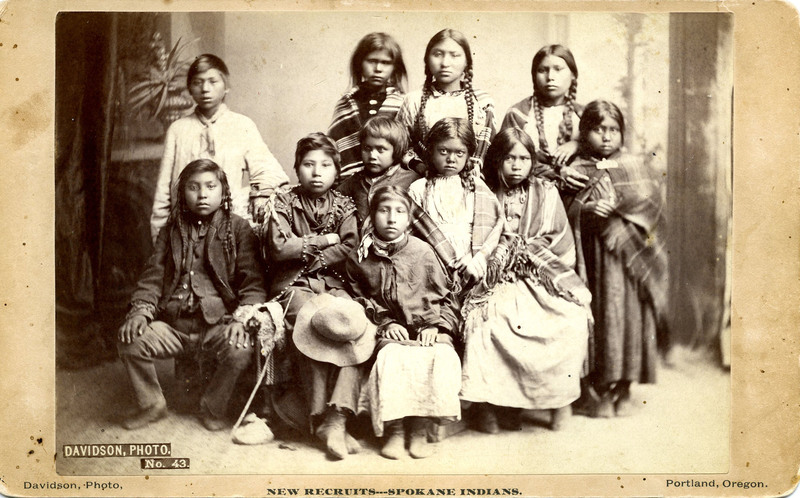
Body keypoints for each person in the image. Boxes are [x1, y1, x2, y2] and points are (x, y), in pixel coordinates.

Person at [118, 159, 267, 431]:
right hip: (174, 326)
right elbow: (152, 276)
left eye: (211, 186)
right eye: (193, 187)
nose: (202, 194)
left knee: (241, 350)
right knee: (131, 340)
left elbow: (253, 283)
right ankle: (151, 405)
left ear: (223, 192)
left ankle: (213, 406)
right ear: (182, 194)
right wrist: (141, 312)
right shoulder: (172, 229)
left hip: (217, 326)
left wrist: (241, 320)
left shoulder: (238, 228)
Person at [459, 128, 592, 433]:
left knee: (570, 318)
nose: (517, 165)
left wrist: (521, 249)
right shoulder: (481, 192)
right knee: (488, 319)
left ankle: (560, 401)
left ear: (533, 162)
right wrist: (499, 257)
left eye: (524, 158)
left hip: (539, 275)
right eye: (509, 158)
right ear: (497, 160)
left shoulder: (546, 192)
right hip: (496, 277)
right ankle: (488, 405)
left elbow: (558, 240)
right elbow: (471, 239)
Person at [564, 100, 669, 418]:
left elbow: (652, 206)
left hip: (629, 263)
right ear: (585, 134)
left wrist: (621, 208)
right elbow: (561, 207)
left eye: (613, 130)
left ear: (622, 133)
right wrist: (584, 209)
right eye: (598, 130)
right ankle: (597, 390)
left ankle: (624, 386)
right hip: (590, 259)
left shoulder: (635, 165)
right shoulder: (576, 168)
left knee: (628, 319)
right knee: (599, 317)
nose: (606, 137)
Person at [347, 187, 460, 459]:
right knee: (392, 358)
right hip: (385, 330)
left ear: (409, 219)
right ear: (372, 216)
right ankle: (395, 430)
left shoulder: (423, 252)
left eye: (399, 212)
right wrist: (384, 322)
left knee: (440, 355)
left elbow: (447, 297)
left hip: (427, 327)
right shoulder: (359, 257)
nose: (391, 218)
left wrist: (435, 326)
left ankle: (419, 429)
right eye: (384, 211)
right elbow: (357, 297)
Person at [150, 54, 289, 240]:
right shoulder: (178, 129)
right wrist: (159, 236)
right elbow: (163, 190)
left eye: (213, 81)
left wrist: (260, 195)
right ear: (190, 89)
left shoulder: (242, 125)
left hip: (227, 227)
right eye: (198, 82)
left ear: (226, 86)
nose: (205, 89)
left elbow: (269, 171)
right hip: (185, 228)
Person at [407, 117, 504, 335]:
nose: (451, 159)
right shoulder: (419, 189)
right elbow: (412, 234)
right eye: (444, 151)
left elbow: (495, 224)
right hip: (432, 265)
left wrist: (477, 258)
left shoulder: (476, 186)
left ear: (469, 155)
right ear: (431, 151)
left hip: (472, 262)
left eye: (459, 153)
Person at [336, 116, 457, 266]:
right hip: (362, 256)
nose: (373, 156)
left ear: (396, 150)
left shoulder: (411, 179)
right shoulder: (354, 182)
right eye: (367, 148)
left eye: (381, 149)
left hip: (401, 253)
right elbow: (334, 202)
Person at [397, 29, 496, 177]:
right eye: (437, 54)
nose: (445, 63)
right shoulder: (413, 100)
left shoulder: (482, 102)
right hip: (421, 179)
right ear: (427, 60)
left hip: (470, 182)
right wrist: (420, 167)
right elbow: (400, 146)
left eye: (455, 55)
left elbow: (489, 150)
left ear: (466, 62)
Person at [500, 44, 588, 192]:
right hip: (529, 191)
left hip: (578, 194)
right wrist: (556, 173)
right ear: (534, 76)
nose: (550, 77)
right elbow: (505, 159)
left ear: (573, 74)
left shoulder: (584, 115)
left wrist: (578, 144)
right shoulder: (518, 114)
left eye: (558, 69)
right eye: (542, 70)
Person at [328, 33, 408, 182]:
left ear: (395, 67)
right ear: (360, 63)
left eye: (386, 62)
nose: (378, 68)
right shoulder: (346, 104)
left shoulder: (403, 103)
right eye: (372, 61)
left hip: (394, 184)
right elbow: (335, 149)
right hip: (350, 183)